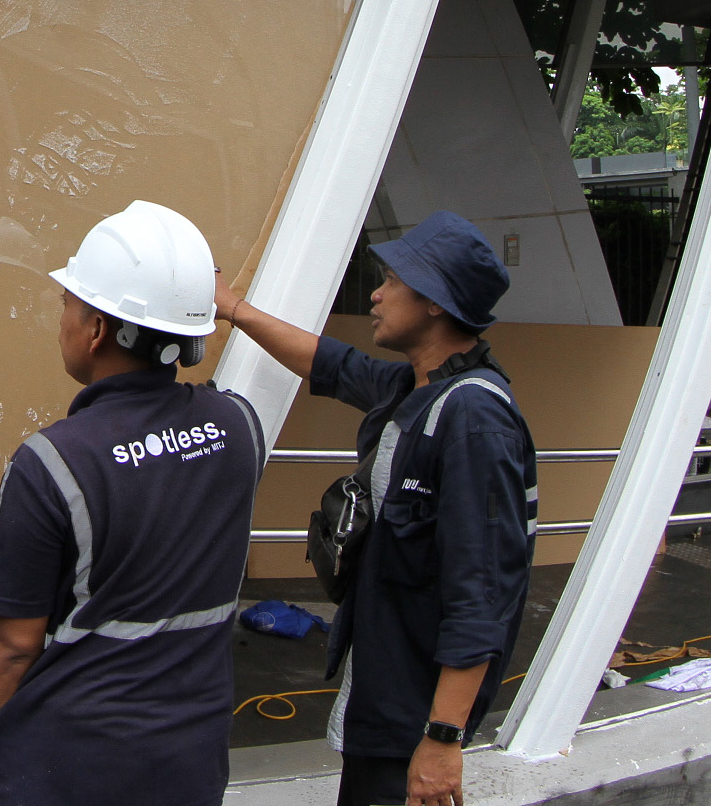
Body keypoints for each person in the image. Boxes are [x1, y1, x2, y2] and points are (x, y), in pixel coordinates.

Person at [0, 200, 266, 806]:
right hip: (190, 763)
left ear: (98, 329)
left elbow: (12, 644)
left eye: (69, 305)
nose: (63, 320)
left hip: (68, 767)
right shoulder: (239, 424)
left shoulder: (53, 461)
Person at [216, 211, 536, 806]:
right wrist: (234, 309)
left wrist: (443, 739)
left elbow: (482, 593)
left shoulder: (473, 419)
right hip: (382, 697)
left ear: (436, 302)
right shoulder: (416, 387)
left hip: (415, 722)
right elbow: (332, 365)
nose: (377, 293)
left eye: (392, 280)